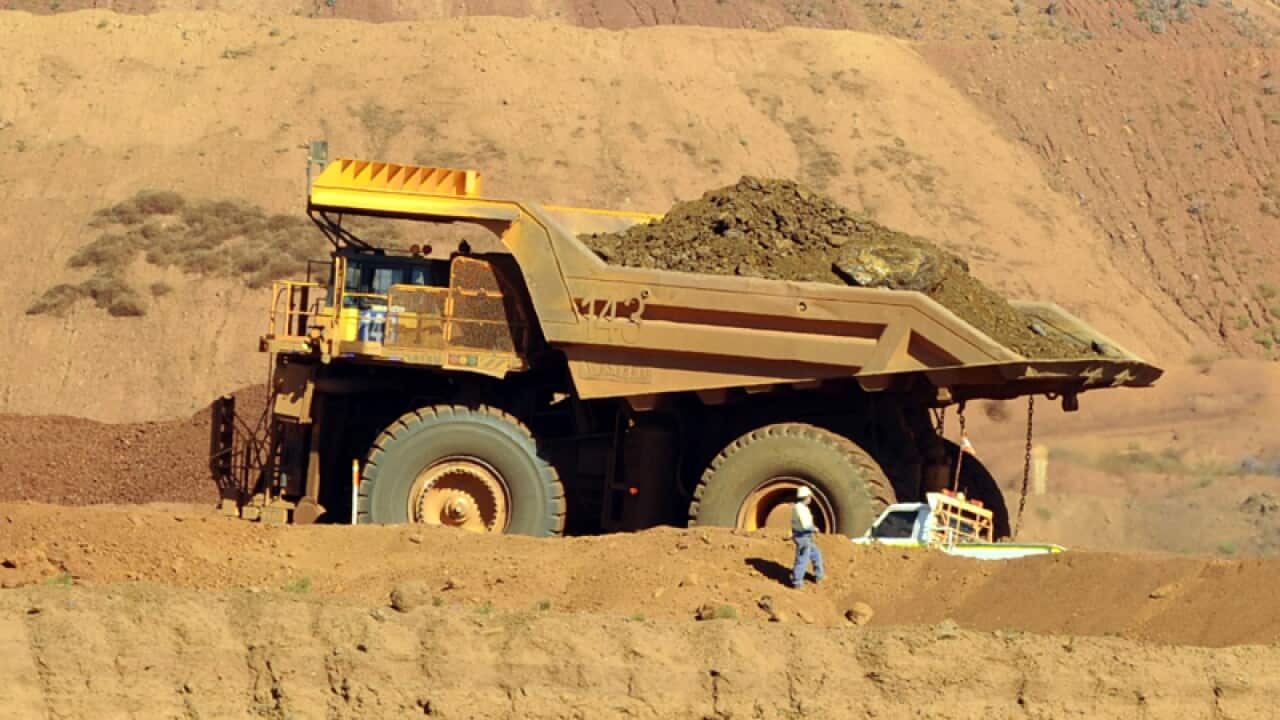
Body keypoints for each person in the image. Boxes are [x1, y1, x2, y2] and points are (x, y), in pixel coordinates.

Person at [791, 486, 824, 589]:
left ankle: (819, 575)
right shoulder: (800, 509)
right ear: (806, 497)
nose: (811, 498)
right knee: (803, 559)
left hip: (805, 536)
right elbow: (805, 525)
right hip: (803, 537)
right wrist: (814, 529)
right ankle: (797, 582)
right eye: (810, 496)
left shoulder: (801, 507)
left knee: (816, 554)